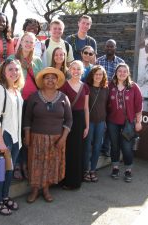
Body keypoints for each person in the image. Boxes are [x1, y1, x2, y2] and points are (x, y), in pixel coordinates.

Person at [23, 67, 72, 203]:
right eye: (47, 77)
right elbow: (27, 118)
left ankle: (45, 189)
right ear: (42, 80)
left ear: (57, 80)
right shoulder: (34, 97)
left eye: (53, 77)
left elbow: (69, 119)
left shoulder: (63, 97)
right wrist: (27, 134)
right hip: (36, 137)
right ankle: (34, 190)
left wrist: (63, 138)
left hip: (56, 139)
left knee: (51, 165)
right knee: (35, 164)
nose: (50, 80)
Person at [0, 59, 24, 215]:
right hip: (3, 137)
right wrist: (1, 142)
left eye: (16, 69)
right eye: (10, 69)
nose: (14, 72)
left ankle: (5, 197)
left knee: (9, 171)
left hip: (16, 138)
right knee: (2, 171)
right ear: (3, 71)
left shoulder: (16, 90)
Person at [9, 31, 43, 180]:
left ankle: (26, 164)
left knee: (29, 135)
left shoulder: (38, 61)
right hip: (17, 102)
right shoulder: (12, 59)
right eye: (26, 41)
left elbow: (41, 82)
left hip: (33, 103)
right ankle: (17, 164)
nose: (29, 44)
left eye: (32, 42)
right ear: (21, 42)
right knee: (17, 134)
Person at [107, 63, 143, 183]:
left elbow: (139, 106)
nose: (122, 73)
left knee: (127, 147)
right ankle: (115, 167)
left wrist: (138, 122)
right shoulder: (110, 86)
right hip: (112, 121)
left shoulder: (133, 87)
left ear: (128, 73)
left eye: (124, 71)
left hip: (128, 122)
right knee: (114, 145)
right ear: (116, 73)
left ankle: (128, 169)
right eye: (119, 71)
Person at [59, 60, 89, 189]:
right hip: (68, 120)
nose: (76, 71)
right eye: (73, 69)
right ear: (69, 70)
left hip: (80, 120)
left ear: (82, 71)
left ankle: (76, 181)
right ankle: (66, 180)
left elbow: (86, 108)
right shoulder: (64, 86)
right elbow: (62, 107)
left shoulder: (85, 87)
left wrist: (87, 126)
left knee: (78, 150)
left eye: (78, 69)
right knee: (68, 151)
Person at [96, 39, 125, 157]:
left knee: (110, 121)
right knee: (100, 120)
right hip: (101, 95)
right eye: (107, 46)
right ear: (105, 48)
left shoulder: (120, 62)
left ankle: (106, 147)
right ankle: (97, 146)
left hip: (114, 95)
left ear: (115, 48)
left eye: (111, 47)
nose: (109, 48)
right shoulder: (99, 61)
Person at [83, 65, 108, 182]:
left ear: (103, 76)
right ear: (92, 75)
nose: (98, 76)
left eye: (100, 74)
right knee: (87, 146)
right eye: (96, 74)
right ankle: (86, 169)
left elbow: (107, 106)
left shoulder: (106, 89)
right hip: (90, 121)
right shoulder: (86, 87)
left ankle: (93, 169)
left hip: (101, 122)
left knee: (97, 146)